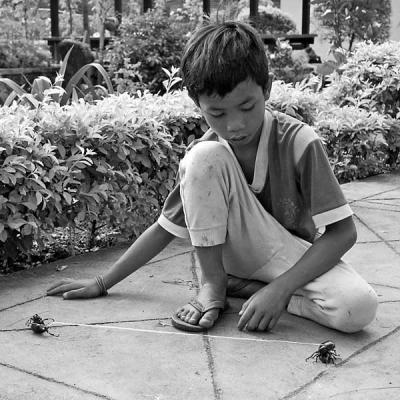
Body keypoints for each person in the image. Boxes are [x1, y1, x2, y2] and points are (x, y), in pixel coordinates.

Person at [47, 21, 378, 334]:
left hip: (286, 256)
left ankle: (254, 289)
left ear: (268, 88)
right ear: (197, 104)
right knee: (202, 157)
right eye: (217, 113)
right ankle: (213, 284)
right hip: (224, 257)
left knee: (357, 308)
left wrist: (280, 289)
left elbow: (342, 233)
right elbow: (166, 226)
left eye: (247, 107)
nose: (235, 125)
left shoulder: (299, 142)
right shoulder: (207, 153)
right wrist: (104, 282)